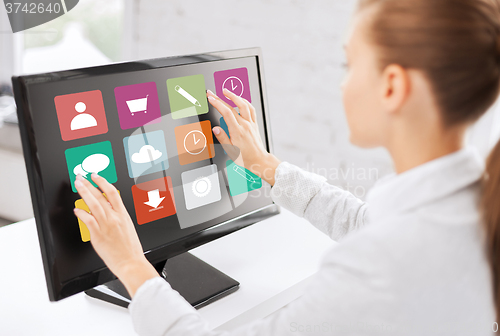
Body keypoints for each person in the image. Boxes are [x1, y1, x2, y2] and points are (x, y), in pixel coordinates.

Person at [73, 0, 500, 334]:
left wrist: (130, 264)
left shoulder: (381, 267)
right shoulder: (470, 207)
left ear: (392, 86)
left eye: (349, 65)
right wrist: (266, 166)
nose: (343, 83)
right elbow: (366, 223)